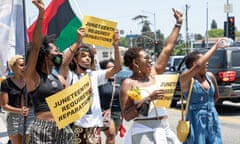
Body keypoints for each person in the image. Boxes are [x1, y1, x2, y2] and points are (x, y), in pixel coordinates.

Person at [119, 8, 183, 144]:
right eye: (146, 58)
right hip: (143, 132)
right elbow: (127, 115)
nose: (150, 60)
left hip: (164, 130)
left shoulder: (154, 73)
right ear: (135, 63)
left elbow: (167, 48)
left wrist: (178, 23)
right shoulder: (129, 83)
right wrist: (148, 99)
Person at [24, 0, 80, 143]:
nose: (59, 53)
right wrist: (41, 15)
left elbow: (67, 58)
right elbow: (36, 46)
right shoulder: (33, 77)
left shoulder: (58, 76)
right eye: (56, 51)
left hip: (63, 127)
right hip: (43, 127)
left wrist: (78, 41)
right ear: (46, 54)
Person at [60, 28, 121, 143]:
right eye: (83, 55)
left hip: (94, 126)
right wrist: (78, 41)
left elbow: (117, 68)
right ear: (74, 60)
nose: (87, 58)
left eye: (89, 56)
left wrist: (116, 46)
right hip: (75, 126)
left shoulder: (94, 75)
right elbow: (64, 63)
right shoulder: (70, 76)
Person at [179, 38, 227, 144]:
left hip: (212, 116)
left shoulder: (210, 76)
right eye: (203, 60)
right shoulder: (185, 78)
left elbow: (216, 96)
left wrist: (208, 109)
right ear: (193, 65)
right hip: (195, 119)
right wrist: (215, 47)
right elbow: (198, 66)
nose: (207, 63)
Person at [0, 55, 34, 144]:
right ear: (13, 67)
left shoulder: (30, 80)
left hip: (30, 116)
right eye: (22, 65)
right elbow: (4, 105)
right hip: (14, 118)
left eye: (25, 65)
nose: (24, 67)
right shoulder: (6, 83)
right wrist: (19, 111)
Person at [98, 59, 122, 144]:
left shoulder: (119, 81)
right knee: (111, 134)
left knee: (113, 135)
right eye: (109, 68)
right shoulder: (100, 81)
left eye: (114, 68)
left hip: (118, 113)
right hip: (105, 112)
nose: (113, 71)